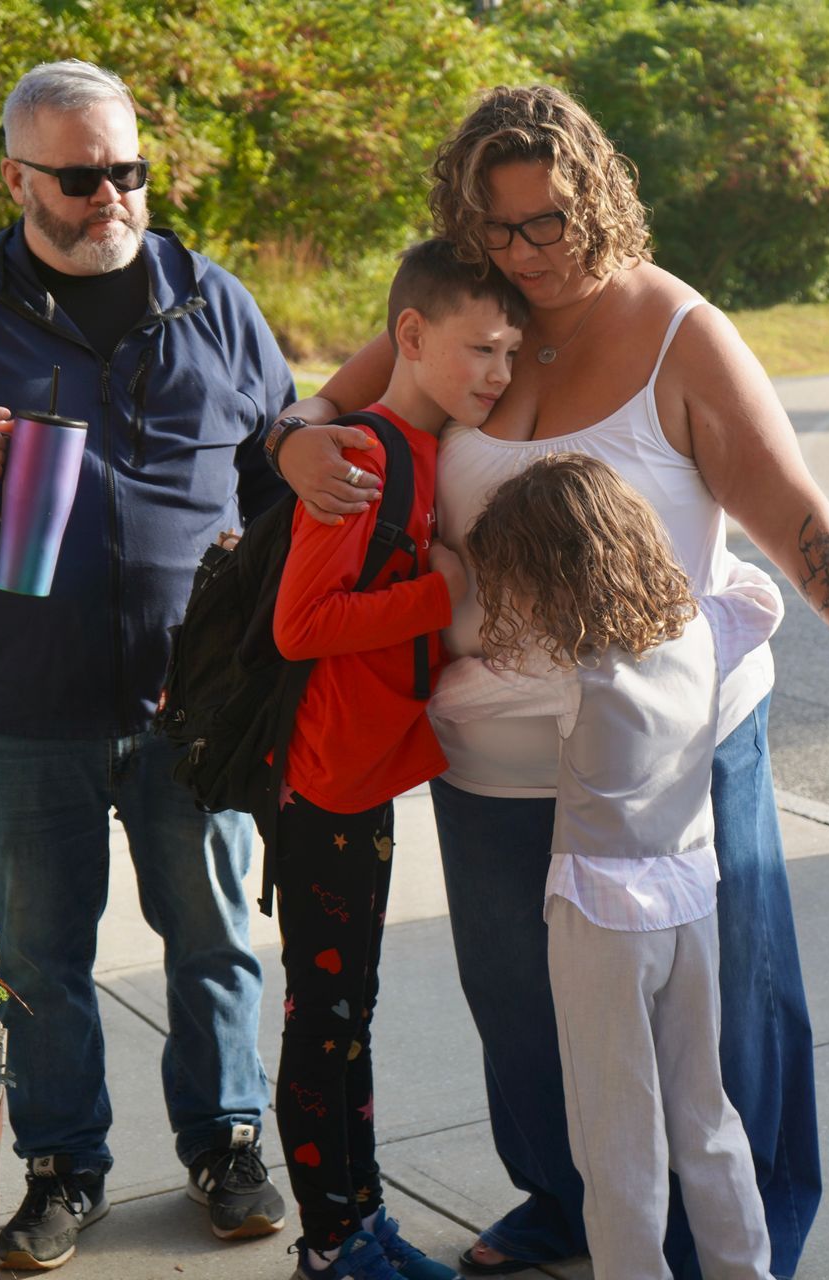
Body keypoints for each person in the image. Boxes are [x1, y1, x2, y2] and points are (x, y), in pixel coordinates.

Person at [270, 84, 829, 1279]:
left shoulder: (678, 330)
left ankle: (742, 1232)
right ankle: (562, 1196)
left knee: (721, 1007)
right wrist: (294, 442)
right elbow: (322, 404)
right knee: (520, 999)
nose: (530, 253)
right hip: (492, 746)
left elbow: (785, 504)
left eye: (552, 224)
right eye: (502, 229)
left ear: (599, 199)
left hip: (667, 743)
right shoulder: (469, 312)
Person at [0, 60, 290, 1272]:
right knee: (43, 959)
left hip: (196, 709)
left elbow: (275, 455)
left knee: (216, 936)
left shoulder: (211, 301)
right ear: (17, 178)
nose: (110, 198)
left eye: (128, 171)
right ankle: (64, 1166)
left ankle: (228, 1142)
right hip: (24, 706)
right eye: (80, 178)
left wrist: (263, 590)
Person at [429, 454, 786, 1280]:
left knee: (615, 1131)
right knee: (705, 1112)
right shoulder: (701, 627)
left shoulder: (566, 667)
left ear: (544, 574)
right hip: (691, 901)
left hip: (600, 917)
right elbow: (762, 600)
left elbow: (450, 695)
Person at [269, 239, 523, 1280]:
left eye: (511, 350)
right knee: (324, 1016)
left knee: (348, 1011)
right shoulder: (366, 455)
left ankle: (359, 1220)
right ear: (409, 338)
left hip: (362, 773)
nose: (498, 373)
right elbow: (302, 622)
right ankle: (332, 1243)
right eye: (480, 348)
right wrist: (445, 588)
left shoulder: (416, 451)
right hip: (327, 779)